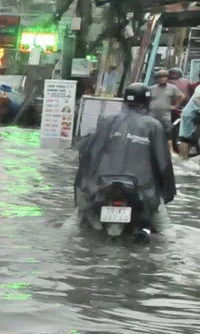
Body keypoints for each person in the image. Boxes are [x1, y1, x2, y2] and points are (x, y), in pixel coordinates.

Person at [70, 82, 175, 236]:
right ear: (147, 102)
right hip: (141, 188)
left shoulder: (107, 121)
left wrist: (87, 184)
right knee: (166, 230)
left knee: (75, 221)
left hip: (101, 185)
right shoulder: (154, 125)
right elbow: (163, 163)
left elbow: (87, 153)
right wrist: (166, 191)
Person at [149, 68, 185, 133]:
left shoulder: (172, 87)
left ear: (167, 78)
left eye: (164, 77)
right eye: (160, 77)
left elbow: (182, 96)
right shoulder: (151, 88)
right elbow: (146, 98)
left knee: (168, 134)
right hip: (152, 115)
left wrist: (175, 106)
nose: (162, 79)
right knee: (150, 133)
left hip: (165, 117)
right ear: (157, 79)